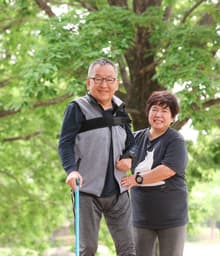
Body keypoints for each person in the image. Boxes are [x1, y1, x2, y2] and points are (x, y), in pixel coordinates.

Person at [58, 58, 136, 256]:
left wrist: (129, 157)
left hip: (119, 191)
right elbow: (65, 143)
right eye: (98, 79)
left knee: (128, 248)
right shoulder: (77, 108)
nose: (104, 85)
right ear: (88, 82)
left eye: (109, 79)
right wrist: (71, 170)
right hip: (87, 191)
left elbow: (131, 142)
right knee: (88, 249)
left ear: (116, 83)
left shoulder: (120, 109)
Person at [121, 91, 189, 256]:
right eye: (155, 109)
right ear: (148, 112)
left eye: (165, 111)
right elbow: (118, 159)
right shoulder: (135, 138)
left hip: (171, 217)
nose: (158, 114)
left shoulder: (175, 140)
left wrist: (136, 179)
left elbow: (167, 170)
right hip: (141, 216)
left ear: (172, 117)